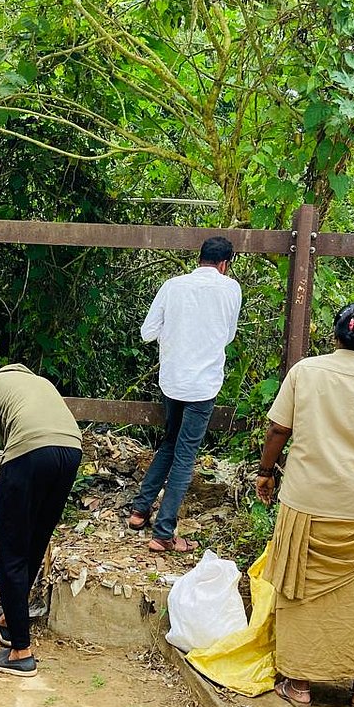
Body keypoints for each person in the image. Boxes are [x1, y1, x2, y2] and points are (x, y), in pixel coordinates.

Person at [256, 303, 354, 707]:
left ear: (335, 334)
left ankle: (299, 685)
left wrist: (266, 472)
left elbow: (278, 429)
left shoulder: (305, 372)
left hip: (306, 501)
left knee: (301, 592)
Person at [127, 236, 242, 553]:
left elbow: (147, 332)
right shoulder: (231, 289)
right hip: (203, 386)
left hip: (172, 381)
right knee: (185, 455)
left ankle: (139, 510)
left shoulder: (172, 286)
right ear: (224, 264)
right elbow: (228, 336)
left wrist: (176, 335)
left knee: (170, 442)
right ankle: (163, 532)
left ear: (199, 259)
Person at [0, 364, 83, 677]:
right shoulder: (40, 382)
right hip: (72, 451)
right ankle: (10, 617)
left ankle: (20, 652)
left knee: (9, 551)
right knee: (34, 541)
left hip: (29, 452)